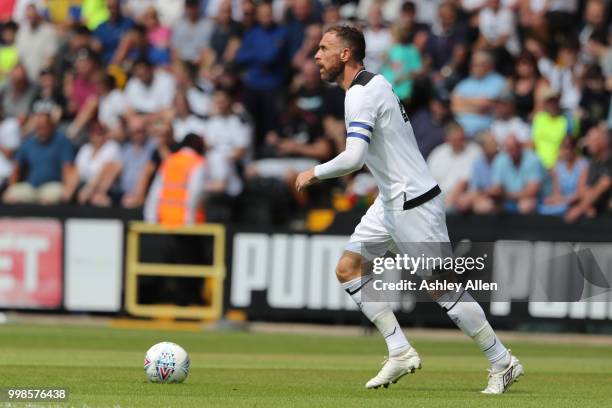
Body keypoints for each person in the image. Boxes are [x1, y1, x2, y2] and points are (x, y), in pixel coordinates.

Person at [295, 25, 523, 393]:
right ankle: (399, 350)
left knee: (443, 290)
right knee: (348, 268)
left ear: (346, 54)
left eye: (323, 48)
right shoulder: (377, 83)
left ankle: (502, 361)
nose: (316, 55)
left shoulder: (360, 96)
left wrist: (314, 172)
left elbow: (355, 157)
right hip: (391, 201)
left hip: (413, 204)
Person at [3, 111, 74, 204]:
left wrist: (68, 189)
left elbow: (68, 167)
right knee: (9, 196)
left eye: (44, 127)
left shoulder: (62, 141)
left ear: (51, 126)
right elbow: (17, 167)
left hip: (54, 185)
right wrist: (11, 187)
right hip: (31, 187)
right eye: (38, 127)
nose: (41, 131)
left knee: (47, 198)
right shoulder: (28, 143)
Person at [144, 133, 206, 225]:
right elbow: (195, 192)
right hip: (186, 223)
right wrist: (189, 221)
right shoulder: (198, 162)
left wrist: (150, 219)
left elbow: (155, 191)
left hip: (164, 221)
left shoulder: (170, 160)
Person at [427, 121, 482, 210]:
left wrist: (446, 204)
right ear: (447, 139)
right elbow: (429, 181)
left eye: (462, 138)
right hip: (438, 198)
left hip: (461, 198)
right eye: (456, 139)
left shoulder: (475, 151)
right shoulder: (437, 153)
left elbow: (464, 182)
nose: (460, 142)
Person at [565, 124, 612, 222]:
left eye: (592, 140)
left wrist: (580, 209)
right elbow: (587, 189)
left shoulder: (610, 161)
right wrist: (586, 206)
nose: (588, 143)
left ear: (604, 141)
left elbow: (601, 187)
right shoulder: (594, 162)